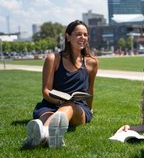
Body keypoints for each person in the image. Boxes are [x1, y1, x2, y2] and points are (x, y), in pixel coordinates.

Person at [23, 20, 98, 149]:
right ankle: (45, 134)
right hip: (51, 103)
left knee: (69, 105)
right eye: (78, 34)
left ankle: (42, 134)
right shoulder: (53, 59)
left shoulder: (92, 62)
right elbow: (46, 90)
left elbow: (90, 91)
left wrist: (89, 110)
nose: (83, 38)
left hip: (78, 108)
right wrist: (58, 102)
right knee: (48, 116)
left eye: (85, 35)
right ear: (68, 36)